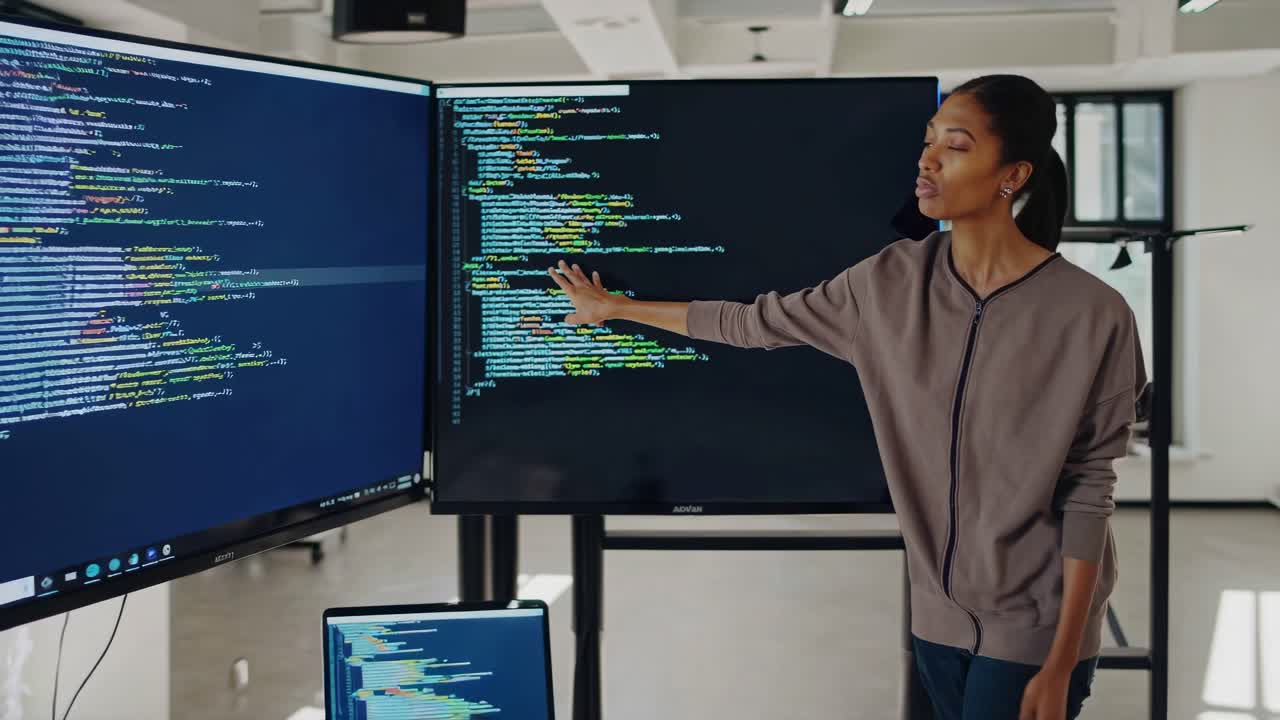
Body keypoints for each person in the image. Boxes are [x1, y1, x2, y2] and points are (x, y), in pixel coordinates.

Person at [548, 74, 1146, 720]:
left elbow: (1090, 488)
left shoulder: (1093, 313)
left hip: (1036, 627)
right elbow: (753, 323)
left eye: (955, 145)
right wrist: (616, 308)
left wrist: (1062, 660)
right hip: (936, 621)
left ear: (1013, 175)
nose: (927, 160)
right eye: (928, 142)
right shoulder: (887, 283)